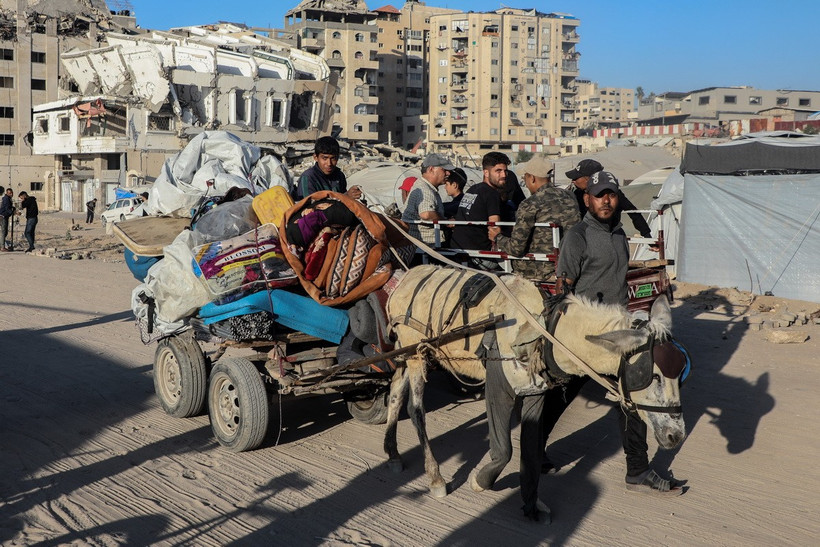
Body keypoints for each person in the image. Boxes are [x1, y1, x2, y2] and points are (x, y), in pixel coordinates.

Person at [549, 171, 682, 495]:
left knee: (632, 398)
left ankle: (637, 469)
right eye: (599, 195)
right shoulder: (578, 236)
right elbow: (563, 289)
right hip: (590, 336)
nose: (606, 200)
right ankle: (533, 450)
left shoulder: (620, 234)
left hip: (620, 332)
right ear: (587, 199)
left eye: (611, 194)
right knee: (558, 396)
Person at [489, 156, 580, 281]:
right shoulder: (570, 196)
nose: (525, 182)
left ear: (532, 178)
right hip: (568, 267)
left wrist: (497, 237)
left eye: (524, 177)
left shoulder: (530, 203)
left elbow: (516, 249)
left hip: (537, 272)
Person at [565, 158, 656, 247]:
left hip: (606, 239)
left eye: (576, 177)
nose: (573, 180)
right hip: (583, 240)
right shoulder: (575, 194)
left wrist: (647, 236)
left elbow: (633, 213)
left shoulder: (614, 195)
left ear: (588, 179)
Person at [450, 152, 509, 270]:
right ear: (486, 172)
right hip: (478, 257)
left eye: (505, 171)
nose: (504, 175)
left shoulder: (473, 189)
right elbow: (494, 228)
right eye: (498, 171)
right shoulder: (491, 194)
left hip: (457, 251)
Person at [401, 153, 452, 246]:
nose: (448, 173)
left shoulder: (424, 186)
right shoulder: (425, 189)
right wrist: (446, 222)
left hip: (419, 244)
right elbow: (426, 214)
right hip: (425, 246)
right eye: (444, 170)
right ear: (431, 169)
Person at [294, 136, 361, 201]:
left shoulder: (339, 176)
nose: (329, 163)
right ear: (315, 157)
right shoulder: (308, 177)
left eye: (333, 158)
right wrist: (346, 197)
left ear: (337, 158)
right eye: (324, 158)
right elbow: (310, 207)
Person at [0, 186, 12, 251]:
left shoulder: (7, 198)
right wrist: (13, 212)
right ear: (7, 193)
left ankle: (1, 245)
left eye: (11, 193)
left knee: (5, 232)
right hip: (3, 216)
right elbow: (7, 208)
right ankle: (2, 247)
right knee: (3, 232)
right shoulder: (6, 199)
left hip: (4, 216)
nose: (11, 194)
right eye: (10, 193)